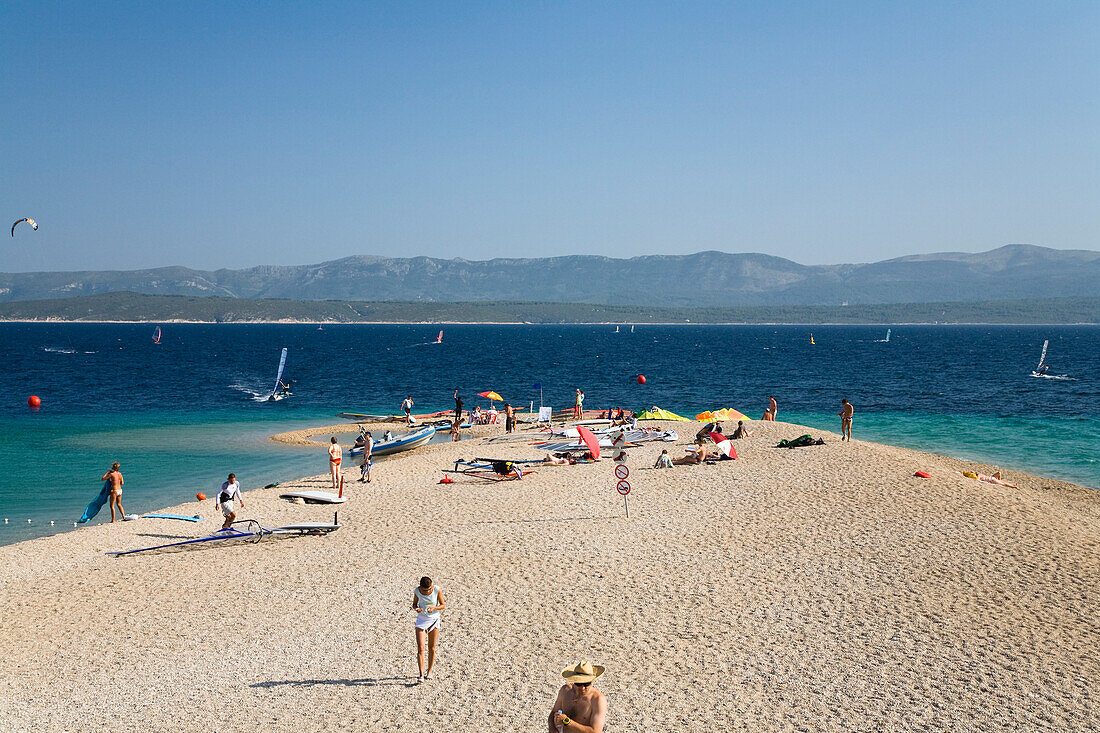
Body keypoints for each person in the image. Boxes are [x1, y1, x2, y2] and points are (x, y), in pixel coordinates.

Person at [548, 660, 608, 733]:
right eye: (579, 684)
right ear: (574, 681)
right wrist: (552, 728)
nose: (582, 688)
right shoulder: (565, 691)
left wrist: (567, 721)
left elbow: (595, 731)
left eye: (586, 684)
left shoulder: (598, 699)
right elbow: (553, 712)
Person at [413, 576, 446, 681]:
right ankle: (421, 674)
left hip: (434, 619)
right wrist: (416, 609)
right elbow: (414, 604)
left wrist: (434, 608)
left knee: (432, 647)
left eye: (429, 589)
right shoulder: (417, 591)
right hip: (422, 620)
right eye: (425, 590)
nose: (428, 591)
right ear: (420, 587)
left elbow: (443, 605)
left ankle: (429, 672)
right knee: (421, 647)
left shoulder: (436, 589)